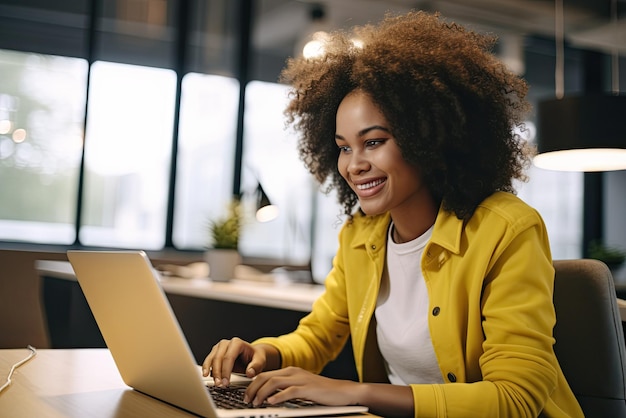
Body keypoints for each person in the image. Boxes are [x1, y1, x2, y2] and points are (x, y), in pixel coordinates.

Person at [202, 11, 584, 418]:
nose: (353, 165)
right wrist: (263, 353)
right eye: (345, 147)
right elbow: (318, 335)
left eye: (374, 142)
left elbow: (515, 398)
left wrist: (356, 393)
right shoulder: (360, 234)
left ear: (429, 137)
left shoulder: (505, 230)